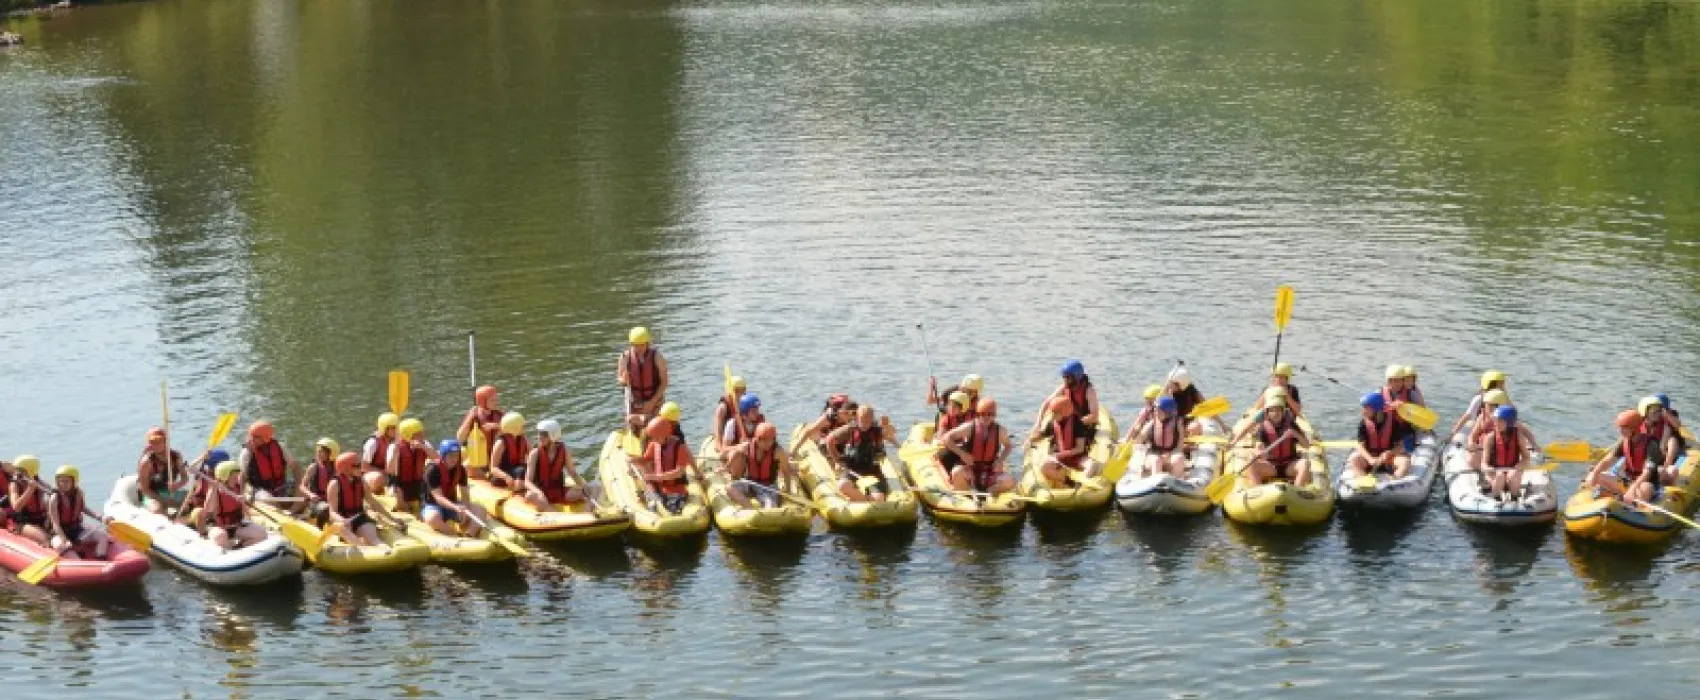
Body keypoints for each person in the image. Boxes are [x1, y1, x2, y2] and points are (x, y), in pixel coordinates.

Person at [940, 398, 1015, 496]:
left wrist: (1000, 460)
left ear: (994, 415)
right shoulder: (969, 427)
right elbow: (946, 438)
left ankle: (986, 494)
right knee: (957, 472)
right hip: (970, 468)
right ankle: (966, 495)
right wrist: (962, 454)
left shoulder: (1001, 431)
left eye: (990, 414)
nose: (986, 417)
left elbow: (1008, 446)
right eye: (983, 414)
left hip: (989, 470)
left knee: (1009, 481)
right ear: (978, 414)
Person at [826, 406, 900, 503]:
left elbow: (891, 432)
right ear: (857, 418)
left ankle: (868, 500)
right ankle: (866, 500)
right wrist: (837, 460)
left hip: (873, 471)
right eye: (862, 420)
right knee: (843, 486)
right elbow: (829, 440)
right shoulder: (850, 429)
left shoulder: (877, 430)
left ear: (872, 419)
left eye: (868, 420)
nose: (865, 424)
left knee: (879, 499)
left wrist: (886, 425)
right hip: (852, 469)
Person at [323, 451, 398, 548]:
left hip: (359, 517)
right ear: (346, 468)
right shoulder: (334, 484)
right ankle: (362, 548)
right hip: (342, 519)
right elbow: (332, 512)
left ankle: (384, 551)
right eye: (357, 465)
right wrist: (342, 520)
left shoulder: (361, 481)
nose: (361, 468)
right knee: (343, 527)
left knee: (374, 540)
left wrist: (392, 518)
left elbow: (373, 502)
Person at [1240, 388, 1312, 487]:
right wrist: (1260, 453)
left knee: (1305, 463)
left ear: (1283, 411)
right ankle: (1257, 490)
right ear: (1268, 413)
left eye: (1278, 410)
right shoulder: (1263, 427)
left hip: (1289, 465)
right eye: (1272, 410)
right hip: (1271, 466)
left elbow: (1307, 445)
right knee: (1251, 462)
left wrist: (1295, 434)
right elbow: (1259, 446)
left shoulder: (1291, 424)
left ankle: (1296, 490)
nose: (1275, 413)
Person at [1586, 410, 1660, 505]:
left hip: (1643, 484)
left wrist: (1633, 489)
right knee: (1593, 475)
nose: (1620, 431)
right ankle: (1614, 497)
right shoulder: (1624, 442)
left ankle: (1632, 504)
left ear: (1634, 429)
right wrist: (1595, 473)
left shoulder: (1651, 445)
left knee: (1646, 488)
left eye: (1624, 428)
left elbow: (1647, 473)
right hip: (1627, 481)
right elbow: (1608, 460)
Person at [523, 419, 594, 510]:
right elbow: (527, 482)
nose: (539, 437)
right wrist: (539, 493)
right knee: (530, 495)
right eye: (539, 433)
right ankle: (553, 514)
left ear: (553, 435)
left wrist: (584, 487)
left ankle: (589, 510)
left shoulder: (564, 451)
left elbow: (573, 473)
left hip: (558, 491)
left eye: (544, 434)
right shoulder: (535, 453)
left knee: (595, 486)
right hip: (540, 492)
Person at [422, 440, 487, 538]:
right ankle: (454, 534)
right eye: (451, 456)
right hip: (433, 504)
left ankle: (470, 534)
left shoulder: (460, 470)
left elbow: (465, 494)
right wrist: (455, 507)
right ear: (443, 456)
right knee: (432, 518)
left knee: (480, 509)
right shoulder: (432, 470)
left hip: (452, 504)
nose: (454, 459)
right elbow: (438, 497)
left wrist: (466, 508)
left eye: (457, 455)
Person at [726, 422, 798, 508]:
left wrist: (788, 491)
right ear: (758, 439)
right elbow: (734, 454)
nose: (769, 443)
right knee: (730, 488)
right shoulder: (747, 446)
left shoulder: (778, 452)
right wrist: (726, 466)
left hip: (768, 487)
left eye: (772, 439)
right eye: (766, 440)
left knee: (771, 506)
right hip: (750, 484)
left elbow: (786, 471)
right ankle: (750, 508)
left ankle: (766, 510)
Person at [197, 461, 267, 550]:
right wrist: (214, 488)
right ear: (225, 477)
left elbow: (246, 511)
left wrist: (244, 501)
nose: (237, 478)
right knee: (220, 536)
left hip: (236, 526)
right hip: (218, 527)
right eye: (234, 477)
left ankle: (237, 548)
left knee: (261, 534)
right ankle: (225, 549)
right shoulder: (215, 490)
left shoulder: (237, 487)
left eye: (237, 476)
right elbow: (208, 509)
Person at [1030, 395, 1096, 487]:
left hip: (1076, 457)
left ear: (1064, 412)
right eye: (1052, 412)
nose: (1052, 415)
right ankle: (1068, 481)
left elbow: (1079, 449)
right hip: (1059, 458)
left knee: (1092, 465)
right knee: (1044, 467)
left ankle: (1082, 484)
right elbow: (1042, 435)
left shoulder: (1078, 424)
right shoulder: (1052, 423)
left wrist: (1061, 454)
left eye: (1055, 412)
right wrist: (1033, 438)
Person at [1345, 392, 1412, 480]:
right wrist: (1370, 459)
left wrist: (1390, 453)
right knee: (1354, 460)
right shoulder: (1363, 424)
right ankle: (1364, 481)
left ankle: (1394, 480)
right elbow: (1360, 446)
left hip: (1388, 459)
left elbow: (1401, 447)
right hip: (1371, 458)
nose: (1363, 411)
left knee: (1405, 462)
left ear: (1377, 409)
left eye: (1366, 408)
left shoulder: (1393, 423)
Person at [1031, 360, 1100, 442]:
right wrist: (1038, 424)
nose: (1065, 380)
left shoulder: (1089, 391)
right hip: (1068, 420)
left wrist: (1074, 424)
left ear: (1077, 376)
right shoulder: (1064, 387)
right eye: (1064, 377)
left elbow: (1094, 416)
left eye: (1068, 377)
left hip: (1083, 424)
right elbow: (1046, 403)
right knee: (1048, 427)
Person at [47, 466, 108, 559]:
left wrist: (100, 518)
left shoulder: (78, 493)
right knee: (60, 546)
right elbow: (55, 524)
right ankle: (77, 562)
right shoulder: (54, 498)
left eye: (67, 481)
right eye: (60, 481)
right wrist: (64, 540)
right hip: (58, 533)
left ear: (74, 481)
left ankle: (101, 557)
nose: (63, 484)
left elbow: (84, 509)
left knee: (103, 536)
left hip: (76, 530)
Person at [640, 417, 694, 514]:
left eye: (656, 437)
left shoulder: (679, 447)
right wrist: (633, 460)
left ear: (665, 434)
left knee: (673, 510)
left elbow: (679, 473)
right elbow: (645, 460)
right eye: (653, 437)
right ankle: (656, 504)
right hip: (659, 489)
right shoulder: (654, 444)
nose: (654, 439)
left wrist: (655, 477)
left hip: (677, 490)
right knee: (652, 504)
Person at [617, 326, 669, 425]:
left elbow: (664, 382)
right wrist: (623, 380)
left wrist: (652, 402)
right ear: (631, 344)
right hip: (635, 402)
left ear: (647, 343)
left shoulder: (657, 357)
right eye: (636, 345)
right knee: (631, 421)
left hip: (655, 400)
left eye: (642, 345)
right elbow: (620, 379)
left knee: (655, 426)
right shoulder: (625, 357)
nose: (639, 348)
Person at [239, 421, 297, 508]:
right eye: (251, 436)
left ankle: (295, 509)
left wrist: (301, 486)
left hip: (281, 486)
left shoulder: (279, 446)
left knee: (304, 490)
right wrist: (242, 494)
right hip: (258, 490)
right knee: (269, 500)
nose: (251, 439)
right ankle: (281, 513)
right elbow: (242, 476)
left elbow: (296, 468)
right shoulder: (247, 452)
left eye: (255, 437)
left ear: (265, 437)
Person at [1478, 406, 1530, 501]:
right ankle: (1496, 499)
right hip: (1494, 473)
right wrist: (1488, 468)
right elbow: (1483, 464)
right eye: (1495, 420)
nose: (1496, 423)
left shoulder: (1519, 437)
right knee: (1500, 476)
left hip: (1512, 472)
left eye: (1500, 421)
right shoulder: (1490, 438)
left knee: (1513, 475)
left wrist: (1519, 466)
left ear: (1509, 423)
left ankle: (1515, 499)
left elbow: (1526, 458)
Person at [385, 418, 436, 512]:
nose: (422, 435)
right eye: (418, 434)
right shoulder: (394, 447)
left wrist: (423, 447)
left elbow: (437, 460)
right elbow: (389, 470)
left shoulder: (425, 444)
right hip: (400, 484)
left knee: (430, 496)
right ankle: (403, 505)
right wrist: (395, 453)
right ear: (409, 436)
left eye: (421, 433)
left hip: (418, 482)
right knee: (402, 504)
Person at [136, 427, 187, 515]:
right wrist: (164, 501)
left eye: (158, 441)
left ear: (165, 441)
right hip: (151, 495)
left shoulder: (176, 456)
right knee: (157, 509)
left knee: (192, 499)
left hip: (168, 492)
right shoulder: (146, 462)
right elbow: (145, 490)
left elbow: (185, 477)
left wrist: (178, 485)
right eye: (152, 442)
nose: (155, 444)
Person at [1135, 396, 1188, 478]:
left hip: (1172, 454)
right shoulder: (1152, 423)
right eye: (1155, 410)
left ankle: (1174, 483)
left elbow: (1180, 446)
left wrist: (1170, 455)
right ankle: (1155, 483)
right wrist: (1138, 431)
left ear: (1169, 413)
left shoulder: (1177, 424)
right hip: (1154, 454)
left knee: (1179, 459)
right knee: (1156, 461)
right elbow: (1139, 440)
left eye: (1159, 411)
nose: (1156, 413)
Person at [1635, 396, 1684, 480]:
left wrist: (1666, 414)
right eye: (1654, 412)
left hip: (1663, 454)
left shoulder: (1665, 423)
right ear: (1645, 413)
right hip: (1651, 456)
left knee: (1672, 440)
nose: (1658, 414)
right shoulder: (1639, 425)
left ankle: (1667, 465)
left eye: (1659, 411)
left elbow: (1678, 425)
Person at [456, 384, 505, 466]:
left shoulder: (500, 415)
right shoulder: (474, 415)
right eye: (492, 400)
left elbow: (511, 433)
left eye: (496, 399)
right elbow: (460, 438)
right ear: (483, 401)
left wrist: (498, 426)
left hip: (494, 455)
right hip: (477, 455)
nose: (496, 402)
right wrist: (471, 417)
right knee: (466, 463)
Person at [1450, 370, 1508, 437]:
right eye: (1501, 383)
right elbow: (1466, 416)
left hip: (1497, 426)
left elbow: (1512, 413)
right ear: (1492, 384)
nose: (1503, 386)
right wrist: (1452, 434)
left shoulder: (1502, 398)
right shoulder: (1479, 399)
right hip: (1481, 426)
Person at [8, 456, 49, 547]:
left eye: (21, 470)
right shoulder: (14, 484)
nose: (17, 473)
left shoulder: (39, 482)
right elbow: (16, 507)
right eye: (16, 470)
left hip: (41, 519)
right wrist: (30, 489)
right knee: (45, 538)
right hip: (22, 522)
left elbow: (51, 493)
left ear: (31, 471)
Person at [296, 438, 338, 527]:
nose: (318, 454)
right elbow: (302, 486)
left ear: (331, 454)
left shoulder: (337, 467)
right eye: (318, 451)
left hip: (332, 500)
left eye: (321, 452)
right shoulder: (313, 467)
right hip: (316, 501)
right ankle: (319, 528)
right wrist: (311, 495)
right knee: (325, 509)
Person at [486, 412, 530, 491]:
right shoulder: (501, 443)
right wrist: (506, 477)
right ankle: (519, 488)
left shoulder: (523, 440)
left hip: (517, 472)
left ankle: (522, 486)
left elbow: (532, 454)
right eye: (521, 426)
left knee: (526, 468)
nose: (524, 427)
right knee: (521, 470)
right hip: (501, 476)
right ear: (514, 428)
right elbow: (493, 468)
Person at [361, 412, 400, 493]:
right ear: (384, 429)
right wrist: (384, 473)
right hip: (373, 475)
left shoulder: (396, 440)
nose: (395, 430)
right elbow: (364, 467)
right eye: (392, 428)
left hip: (389, 473)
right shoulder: (372, 443)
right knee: (379, 478)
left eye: (396, 427)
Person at [711, 377, 748, 445]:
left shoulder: (745, 404)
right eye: (737, 390)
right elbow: (718, 429)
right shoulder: (722, 408)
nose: (741, 393)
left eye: (743, 390)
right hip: (727, 440)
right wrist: (719, 445)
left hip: (740, 438)